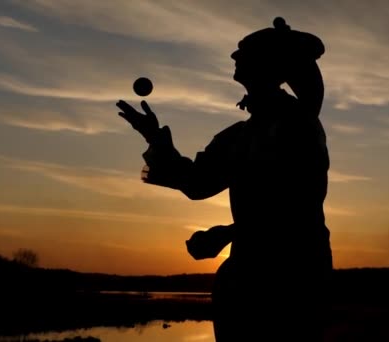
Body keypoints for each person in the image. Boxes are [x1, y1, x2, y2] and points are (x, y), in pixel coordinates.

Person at [117, 17, 332, 341]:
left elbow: (295, 207)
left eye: (245, 52)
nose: (234, 56)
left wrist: (228, 233)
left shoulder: (297, 124)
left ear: (269, 66)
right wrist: (154, 139)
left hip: (293, 275)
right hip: (246, 275)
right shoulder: (239, 135)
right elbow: (197, 183)